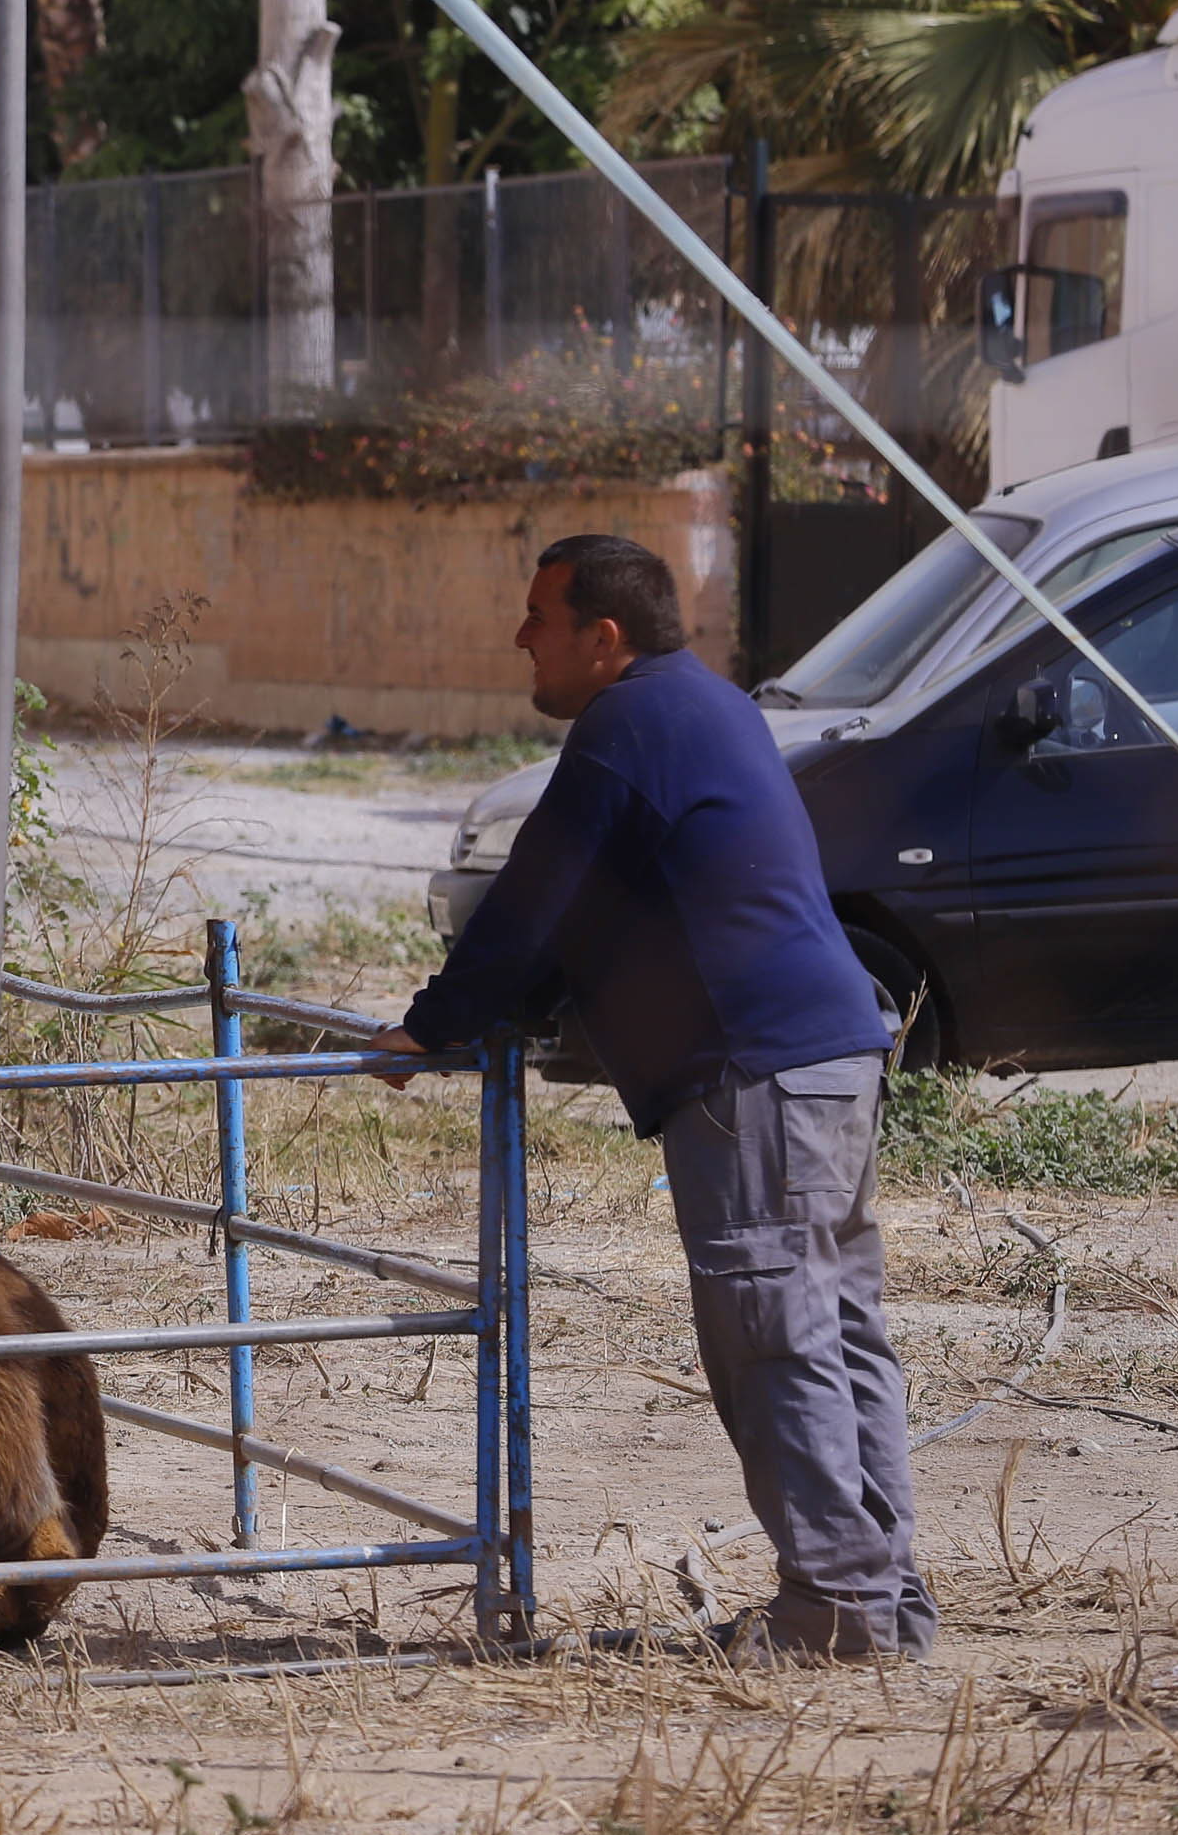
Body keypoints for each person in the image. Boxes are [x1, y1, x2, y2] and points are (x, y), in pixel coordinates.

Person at [377, 533, 929, 1661]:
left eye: (538, 615)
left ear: (602, 636)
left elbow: (533, 897)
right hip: (829, 1053)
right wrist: (498, 1004)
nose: (519, 637)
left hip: (756, 1071)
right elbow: (589, 907)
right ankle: (880, 1599)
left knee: (775, 1334)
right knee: (835, 1327)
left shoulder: (627, 723)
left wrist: (432, 1025)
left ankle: (834, 1607)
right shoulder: (705, 706)